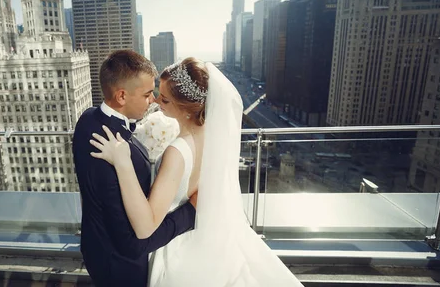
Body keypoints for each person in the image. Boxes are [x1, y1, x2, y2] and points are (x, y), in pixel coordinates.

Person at [90, 58, 304, 286]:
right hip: (204, 237)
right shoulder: (215, 138)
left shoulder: (177, 152)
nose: (156, 102)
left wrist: (122, 162)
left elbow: (145, 228)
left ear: (185, 107)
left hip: (176, 246)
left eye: (164, 99)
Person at [72, 50, 197, 287]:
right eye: (148, 94)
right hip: (120, 268)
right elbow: (132, 244)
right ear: (121, 96)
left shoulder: (87, 118)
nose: (153, 100)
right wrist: (190, 212)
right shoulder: (109, 153)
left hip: (95, 248)